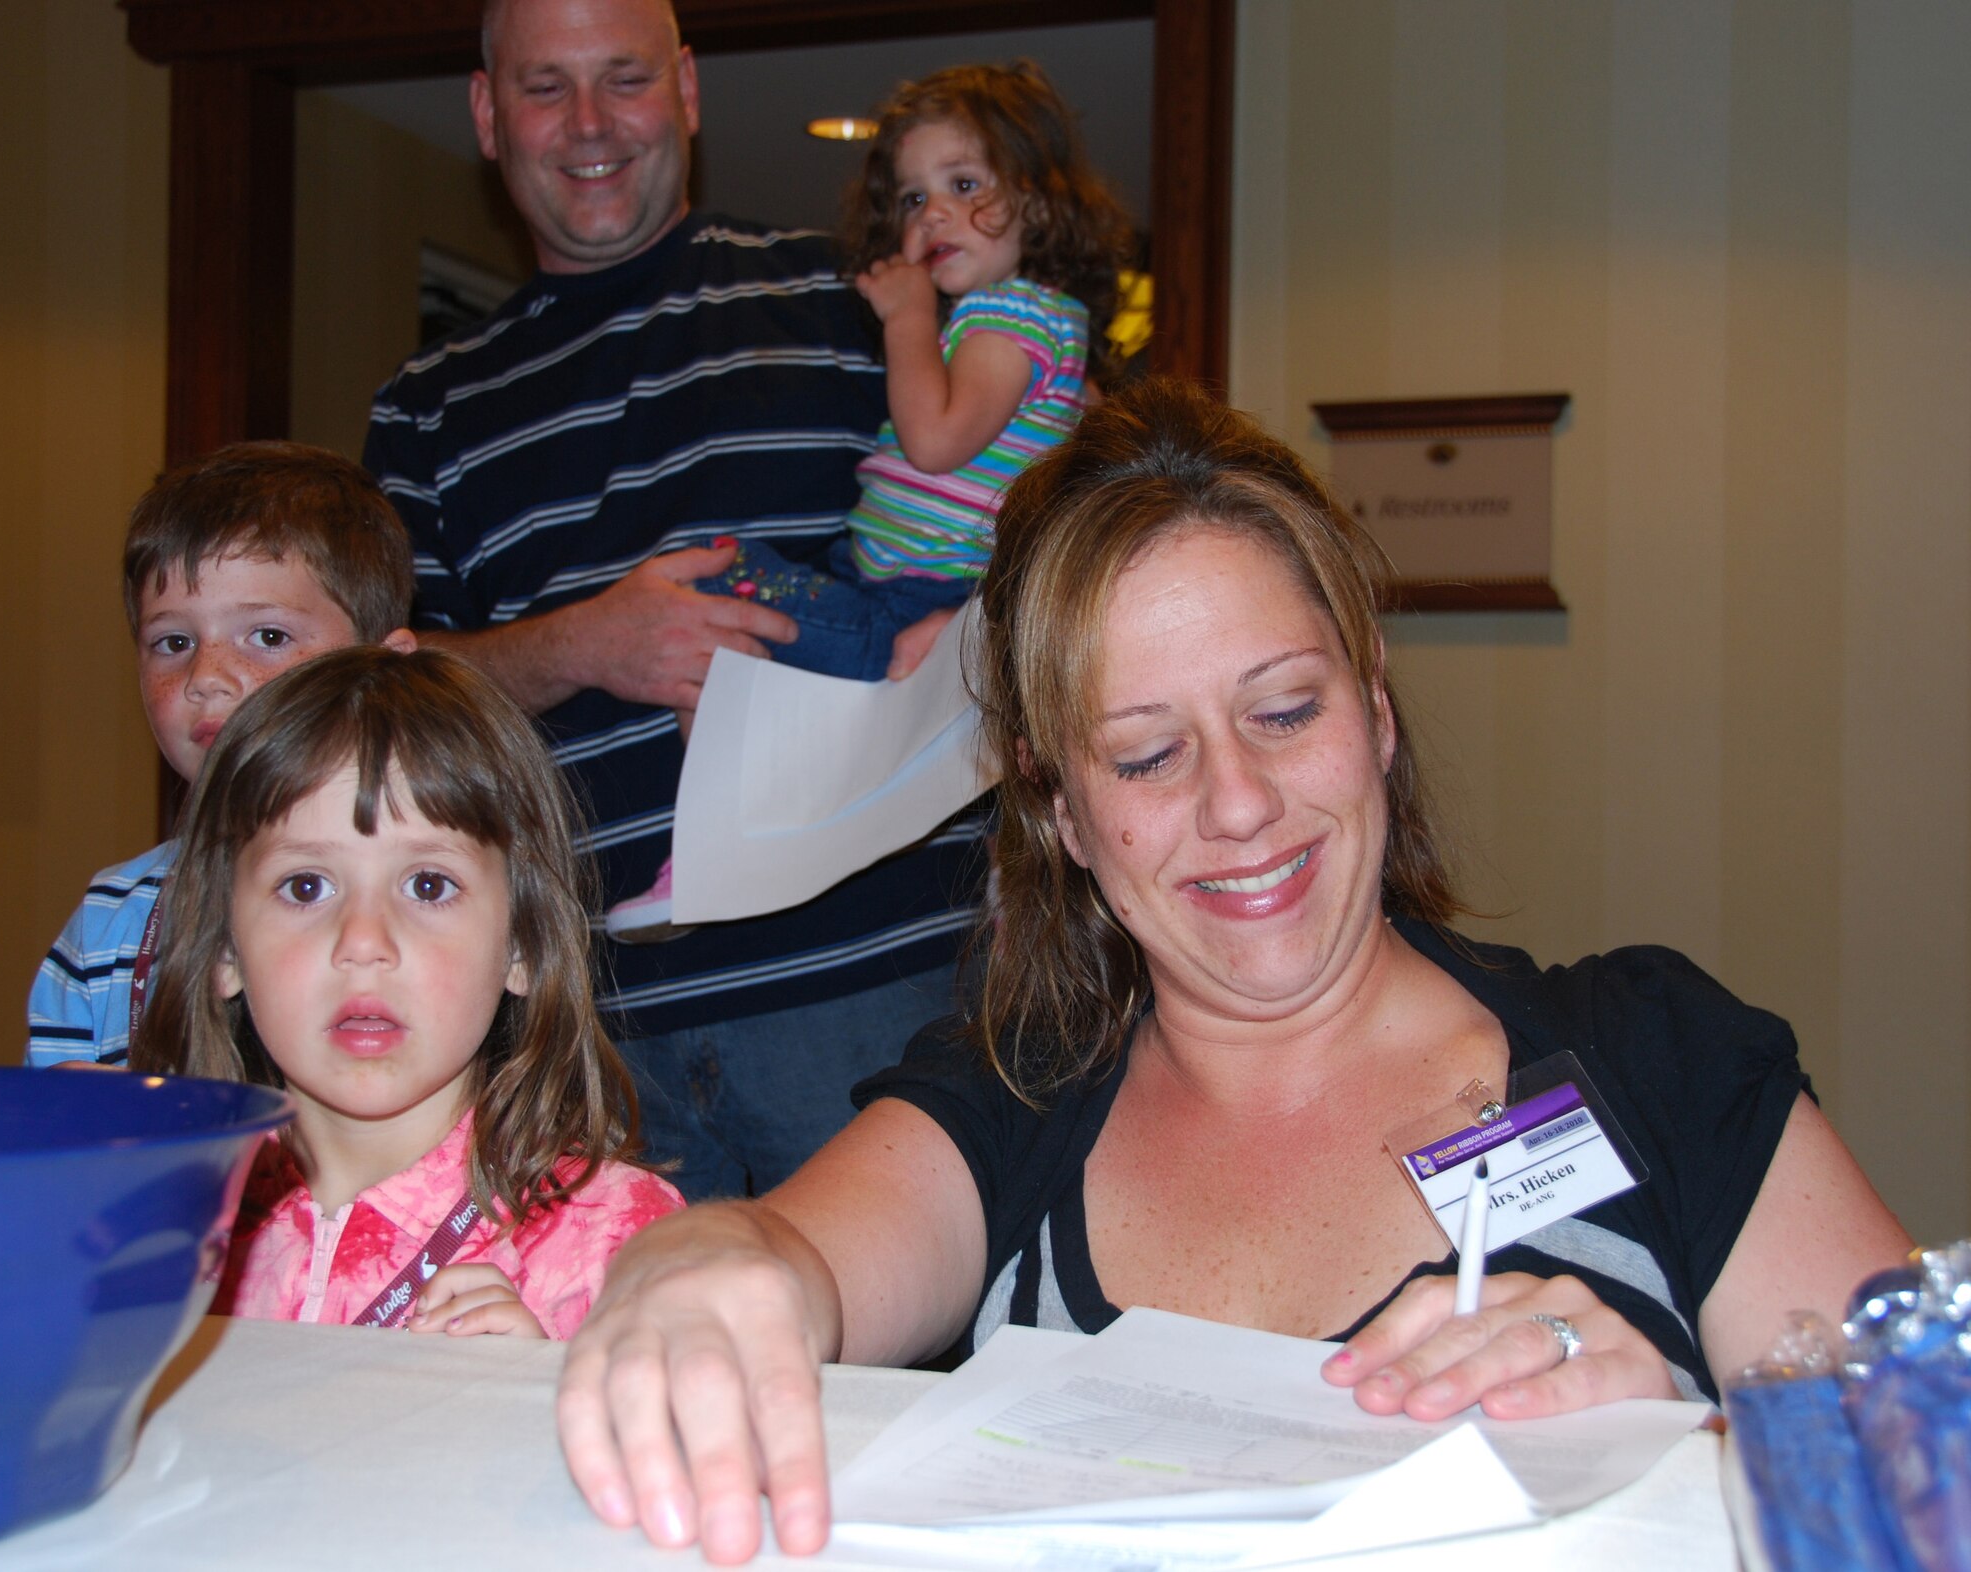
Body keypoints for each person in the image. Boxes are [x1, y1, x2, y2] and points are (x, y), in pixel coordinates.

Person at [551, 379, 1914, 1563]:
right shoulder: (1015, 1101)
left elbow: (1929, 1495)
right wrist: (706, 1261)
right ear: (1063, 811)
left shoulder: (1656, 1056)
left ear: (1373, 710)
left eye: (1283, 711)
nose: (1242, 803)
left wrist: (1700, 1458)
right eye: (1146, 754)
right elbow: (789, 1254)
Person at [362, 0, 988, 1200]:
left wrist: (973, 616)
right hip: (586, 1032)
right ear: (490, 116)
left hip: (882, 993)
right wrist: (583, 643)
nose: (590, 125)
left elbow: (1045, 526)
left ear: (687, 91)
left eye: (624, 80)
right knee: (628, 1384)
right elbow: (387, 696)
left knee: (915, 1384)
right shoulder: (425, 409)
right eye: (545, 88)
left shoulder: (856, 305)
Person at [617, 60, 1133, 931]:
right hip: (881, 580)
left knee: (723, 605)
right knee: (728, 624)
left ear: (1037, 206)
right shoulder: (1005, 320)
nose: (932, 214)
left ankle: (724, 846)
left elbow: (935, 440)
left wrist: (906, 318)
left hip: (916, 602)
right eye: (912, 198)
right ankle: (735, 837)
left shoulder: (1016, 315)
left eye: (964, 185)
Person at [130, 646, 685, 1338]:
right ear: (222, 945)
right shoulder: (156, 1230)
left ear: (521, 946)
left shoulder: (622, 1247)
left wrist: (537, 1403)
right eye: (306, 887)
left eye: (428, 884)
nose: (363, 940)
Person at [26, 442, 418, 1068]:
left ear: (387, 671)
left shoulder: (433, 893)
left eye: (267, 636)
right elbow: (49, 1152)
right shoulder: (107, 923)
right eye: (173, 641)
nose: (207, 675)